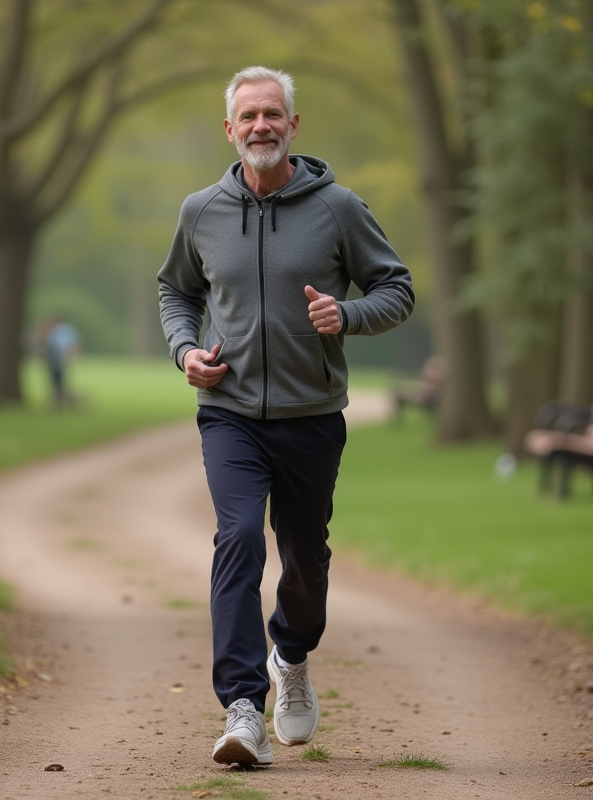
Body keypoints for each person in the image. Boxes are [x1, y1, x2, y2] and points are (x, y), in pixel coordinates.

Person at [157, 66, 415, 767]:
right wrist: (185, 352)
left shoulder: (338, 207)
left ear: (293, 125)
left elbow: (397, 288)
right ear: (230, 129)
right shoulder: (200, 211)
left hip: (311, 416)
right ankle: (242, 708)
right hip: (230, 414)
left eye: (274, 114)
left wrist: (347, 315)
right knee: (238, 538)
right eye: (250, 116)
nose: (262, 126)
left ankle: (291, 657)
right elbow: (176, 293)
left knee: (305, 560)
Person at [41, 314, 81, 408]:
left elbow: (64, 344)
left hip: (58, 356)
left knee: (57, 380)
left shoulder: (59, 330)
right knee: (59, 380)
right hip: (59, 356)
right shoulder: (68, 329)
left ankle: (59, 401)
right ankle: (60, 401)